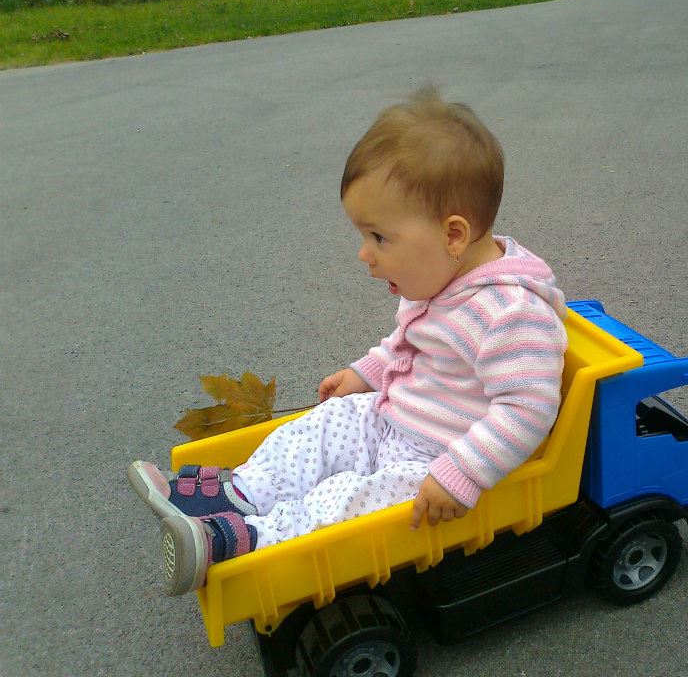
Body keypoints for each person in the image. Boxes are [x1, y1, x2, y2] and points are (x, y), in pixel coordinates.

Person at [128, 87, 567, 596]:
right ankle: (239, 494)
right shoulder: (440, 280)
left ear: (453, 236)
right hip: (390, 418)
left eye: (379, 237)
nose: (364, 253)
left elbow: (528, 407)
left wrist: (461, 472)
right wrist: (368, 372)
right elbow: (407, 344)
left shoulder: (510, 314)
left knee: (349, 503)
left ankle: (247, 541)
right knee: (317, 428)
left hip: (435, 458)